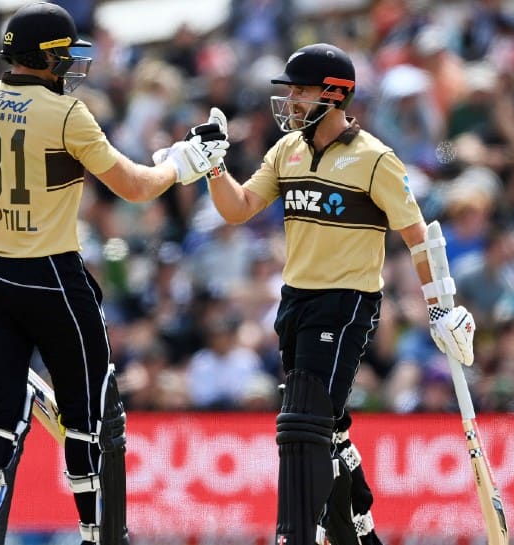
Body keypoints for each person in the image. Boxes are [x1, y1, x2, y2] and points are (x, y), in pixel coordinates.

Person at [0, 3, 226, 545]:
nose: (70, 65)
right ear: (44, 58)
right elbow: (135, 187)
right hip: (51, 277)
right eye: (64, 55)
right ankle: (94, 532)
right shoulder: (67, 113)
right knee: (86, 414)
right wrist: (186, 161)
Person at [187, 43, 476, 545]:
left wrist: (440, 310)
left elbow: (418, 236)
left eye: (300, 91)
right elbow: (237, 209)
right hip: (294, 301)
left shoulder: (374, 159)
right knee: (331, 427)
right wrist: (214, 166)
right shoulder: (287, 151)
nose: (291, 100)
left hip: (346, 304)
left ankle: (299, 532)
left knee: (303, 421)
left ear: (335, 93)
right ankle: (359, 531)